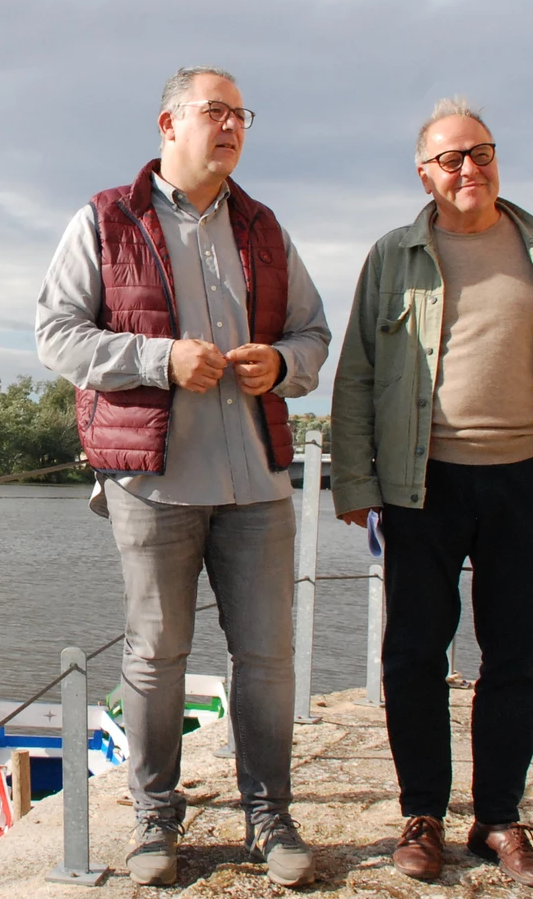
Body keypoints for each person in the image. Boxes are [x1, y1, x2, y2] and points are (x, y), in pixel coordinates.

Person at [35, 66, 332, 887]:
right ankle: (155, 820)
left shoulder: (266, 228)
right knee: (157, 655)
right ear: (169, 124)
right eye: (215, 111)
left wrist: (282, 362)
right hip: (152, 482)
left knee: (268, 659)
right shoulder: (105, 219)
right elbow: (57, 336)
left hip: (258, 484)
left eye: (242, 114)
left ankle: (269, 817)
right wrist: (160, 360)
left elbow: (315, 335)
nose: (231, 126)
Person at [329, 97, 533, 889]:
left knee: (515, 655)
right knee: (414, 651)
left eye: (480, 152)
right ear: (423, 173)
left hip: (525, 480)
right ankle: (422, 817)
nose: (467, 169)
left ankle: (499, 818)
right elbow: (358, 374)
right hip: (422, 482)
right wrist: (357, 478)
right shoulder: (393, 255)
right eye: (450, 158)